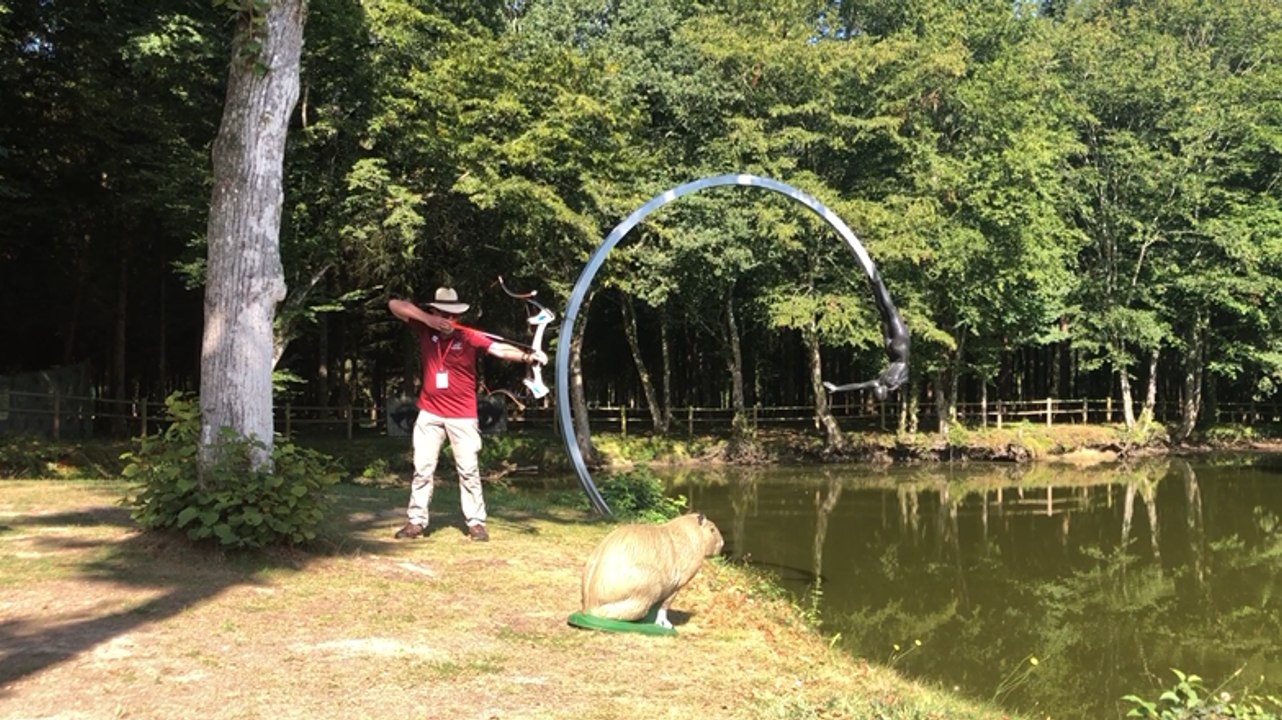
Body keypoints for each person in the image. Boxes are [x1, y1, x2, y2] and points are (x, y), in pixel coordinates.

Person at [388, 287, 547, 542]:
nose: (447, 319)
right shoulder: (425, 329)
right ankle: (416, 521)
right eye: (441, 313)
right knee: (422, 469)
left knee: (469, 471)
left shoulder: (469, 336)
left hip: (462, 415)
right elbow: (395, 305)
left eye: (451, 315)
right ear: (434, 311)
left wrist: (528, 356)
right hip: (429, 413)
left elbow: (499, 349)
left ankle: (475, 523)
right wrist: (428, 321)